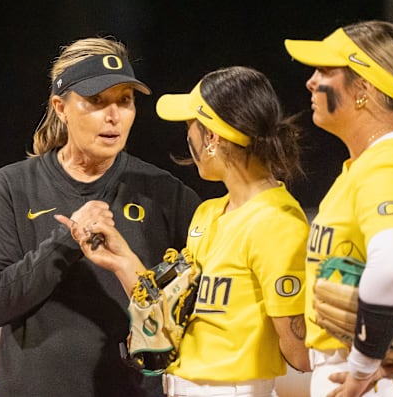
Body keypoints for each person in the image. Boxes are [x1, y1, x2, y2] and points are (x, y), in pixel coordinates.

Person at [57, 66, 311, 397]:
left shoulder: (277, 222)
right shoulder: (208, 213)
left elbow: (300, 352)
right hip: (181, 385)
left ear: (213, 137)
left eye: (192, 124)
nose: (187, 134)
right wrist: (123, 260)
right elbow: (173, 313)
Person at [0, 36, 201, 397]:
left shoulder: (163, 192)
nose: (113, 116)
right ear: (60, 107)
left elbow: (203, 296)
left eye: (124, 101)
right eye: (96, 101)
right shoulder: (14, 185)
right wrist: (65, 242)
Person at [284, 20, 393, 396]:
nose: (312, 82)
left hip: (390, 376)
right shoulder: (369, 165)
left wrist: (361, 368)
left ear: (364, 88)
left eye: (325, 71)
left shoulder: (392, 164)